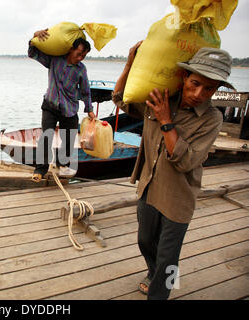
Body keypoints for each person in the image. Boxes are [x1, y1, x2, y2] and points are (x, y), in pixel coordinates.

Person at [112, 43, 235, 300]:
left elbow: (185, 161)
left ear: (217, 90)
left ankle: (162, 291)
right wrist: (129, 64)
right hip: (149, 187)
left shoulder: (211, 119)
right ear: (184, 77)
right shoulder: (159, 100)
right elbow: (120, 99)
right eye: (195, 83)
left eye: (209, 88)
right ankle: (153, 272)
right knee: (145, 241)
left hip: (178, 198)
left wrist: (166, 121)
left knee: (169, 257)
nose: (199, 93)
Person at [29, 29, 96, 182]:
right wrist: (34, 37)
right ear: (70, 49)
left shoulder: (81, 69)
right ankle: (40, 169)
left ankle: (62, 164)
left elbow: (85, 91)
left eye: (84, 56)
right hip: (50, 105)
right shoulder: (54, 60)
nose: (80, 58)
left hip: (70, 108)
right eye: (78, 54)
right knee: (46, 136)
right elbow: (33, 53)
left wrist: (90, 110)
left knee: (68, 138)